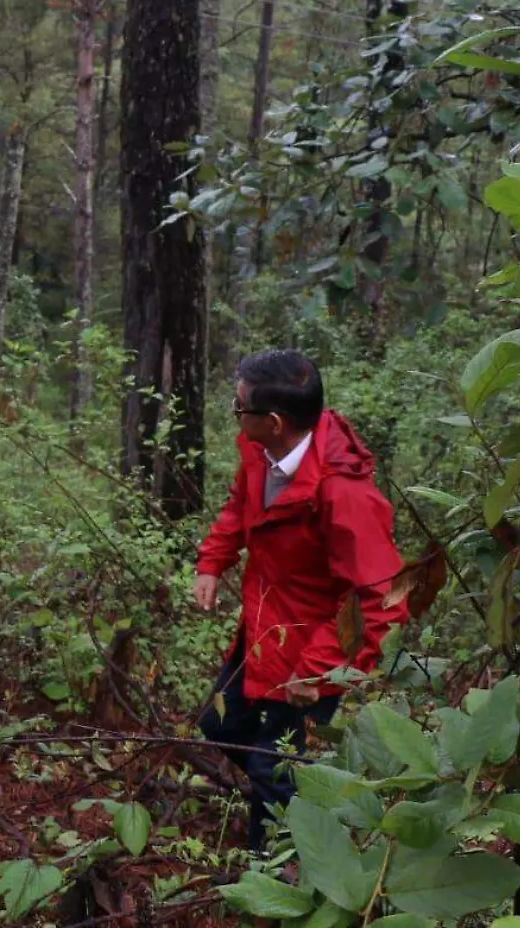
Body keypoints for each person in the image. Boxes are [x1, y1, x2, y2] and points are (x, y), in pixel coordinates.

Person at [193, 349, 406, 850]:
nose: (235, 413)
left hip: (315, 651)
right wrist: (212, 561)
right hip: (265, 632)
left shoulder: (342, 494)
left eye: (238, 406)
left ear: (273, 421)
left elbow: (383, 598)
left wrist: (320, 671)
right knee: (220, 725)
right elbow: (238, 506)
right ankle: (309, 802)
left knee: (274, 769)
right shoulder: (261, 451)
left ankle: (277, 879)